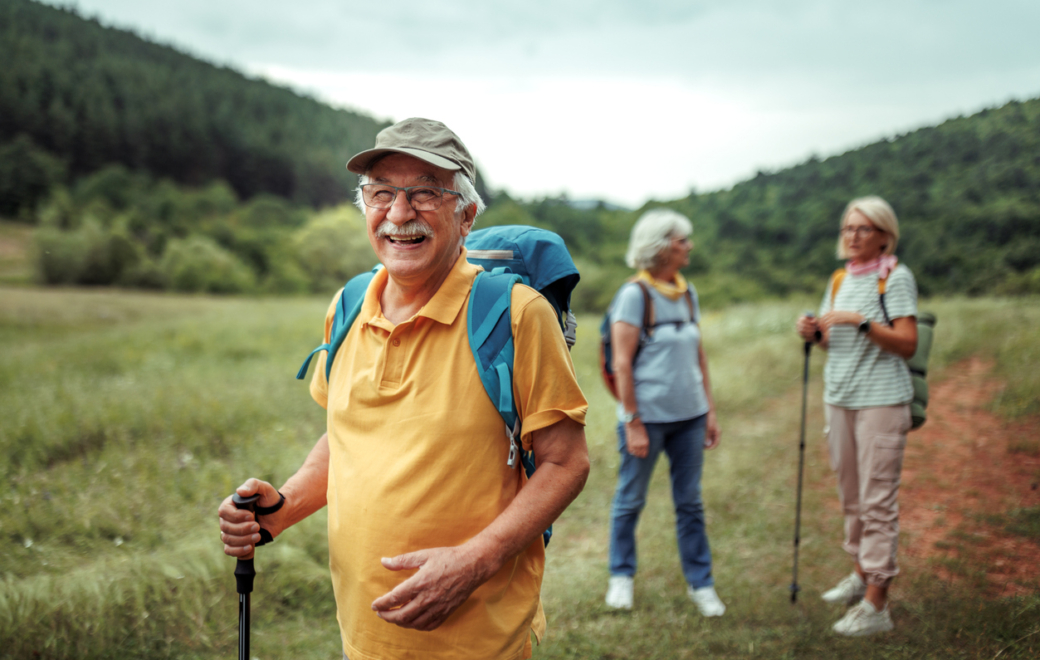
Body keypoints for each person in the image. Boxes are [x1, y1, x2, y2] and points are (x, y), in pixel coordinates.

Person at [218, 118, 590, 660]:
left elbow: (566, 463)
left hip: (475, 637)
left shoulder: (514, 316)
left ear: (465, 215)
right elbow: (347, 438)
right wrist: (283, 506)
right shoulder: (348, 305)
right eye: (382, 193)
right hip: (363, 630)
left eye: (424, 194)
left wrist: (476, 561)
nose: (398, 213)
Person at [796, 196, 918, 637]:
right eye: (848, 227)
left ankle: (877, 604)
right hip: (840, 397)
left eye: (863, 229)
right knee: (851, 494)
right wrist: (815, 333)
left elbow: (907, 343)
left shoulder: (896, 277)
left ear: (884, 236)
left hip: (882, 400)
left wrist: (861, 320)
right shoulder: (839, 277)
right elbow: (836, 340)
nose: (852, 236)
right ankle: (861, 573)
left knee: (877, 500)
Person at [604, 208, 725, 617]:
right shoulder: (634, 295)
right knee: (630, 499)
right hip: (647, 420)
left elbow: (699, 355)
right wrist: (632, 422)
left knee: (689, 502)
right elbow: (622, 363)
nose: (689, 246)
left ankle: (701, 584)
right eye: (681, 240)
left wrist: (708, 410)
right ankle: (621, 578)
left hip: (690, 417)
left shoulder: (687, 292)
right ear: (660, 247)